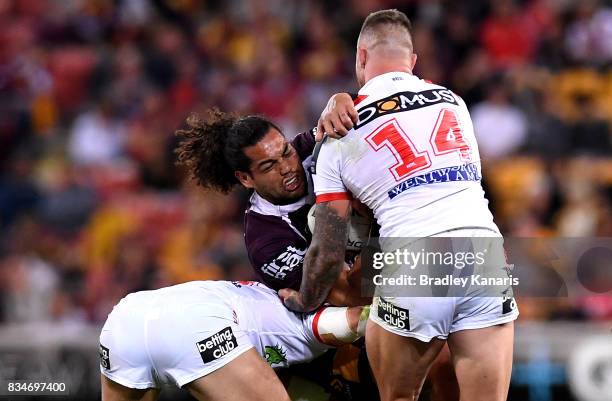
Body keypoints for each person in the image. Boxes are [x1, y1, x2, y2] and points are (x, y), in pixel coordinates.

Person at [280, 9, 519, 401]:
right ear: (412, 62)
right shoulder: (455, 103)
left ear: (360, 57)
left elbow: (327, 249)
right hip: (484, 254)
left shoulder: (337, 134)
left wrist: (305, 298)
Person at [174, 107, 460, 401]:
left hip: (391, 287)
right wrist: (378, 234)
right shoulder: (267, 241)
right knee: (437, 353)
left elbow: (370, 109)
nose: (287, 167)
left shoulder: (311, 148)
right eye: (269, 166)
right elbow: (347, 294)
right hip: (339, 340)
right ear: (246, 179)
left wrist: (339, 102)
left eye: (286, 152)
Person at [99, 280, 365, 401]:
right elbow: (364, 318)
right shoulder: (309, 323)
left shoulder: (273, 295)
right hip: (198, 324)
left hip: (126, 315)